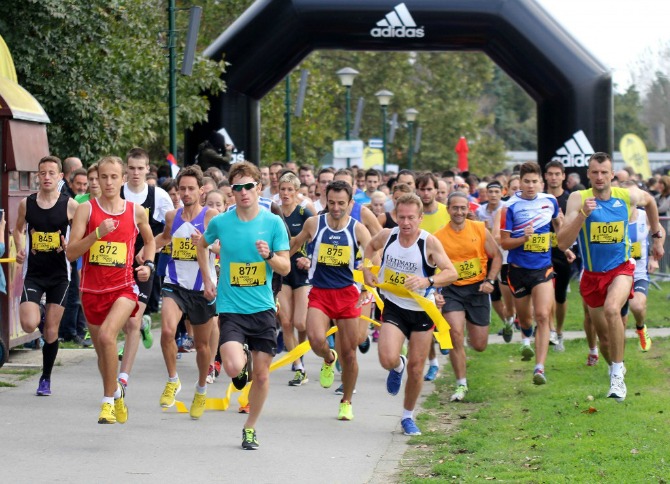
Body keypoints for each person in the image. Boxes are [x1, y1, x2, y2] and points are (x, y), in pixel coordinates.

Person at [197, 161, 290, 449]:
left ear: (259, 188)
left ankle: (250, 428)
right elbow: (202, 245)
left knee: (262, 376)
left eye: (248, 186)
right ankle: (242, 365)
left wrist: (269, 256)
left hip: (262, 307)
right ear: (231, 192)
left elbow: (285, 267)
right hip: (231, 307)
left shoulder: (273, 222)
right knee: (233, 367)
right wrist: (208, 278)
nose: (243, 192)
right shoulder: (221, 222)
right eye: (237, 188)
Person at [558, 152, 665, 402]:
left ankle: (617, 376)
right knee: (604, 338)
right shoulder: (578, 198)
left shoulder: (625, 196)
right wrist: (583, 214)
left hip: (622, 269)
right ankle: (614, 364)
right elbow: (562, 242)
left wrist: (657, 234)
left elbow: (649, 201)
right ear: (588, 174)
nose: (599, 177)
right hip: (593, 274)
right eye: (594, 172)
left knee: (612, 310)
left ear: (612, 174)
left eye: (604, 172)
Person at [67, 155, 155, 423]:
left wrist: (148, 265)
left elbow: (151, 242)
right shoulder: (87, 210)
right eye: (103, 177)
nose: (108, 182)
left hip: (124, 288)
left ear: (123, 179)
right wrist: (97, 235)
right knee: (102, 356)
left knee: (107, 337)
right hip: (92, 292)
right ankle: (116, 392)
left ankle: (106, 403)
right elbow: (71, 253)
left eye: (114, 177)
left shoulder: (135, 211)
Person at [363, 193, 457, 435]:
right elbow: (370, 247)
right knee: (386, 358)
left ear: (420, 218)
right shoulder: (388, 235)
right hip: (395, 306)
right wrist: (366, 269)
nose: (406, 223)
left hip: (422, 311)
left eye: (411, 218)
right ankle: (397, 366)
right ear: (395, 216)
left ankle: (407, 416)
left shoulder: (429, 243)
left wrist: (428, 280)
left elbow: (451, 272)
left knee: (417, 368)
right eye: (401, 217)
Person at [289, 180, 372, 421]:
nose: (336, 208)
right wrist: (277, 261)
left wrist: (367, 281)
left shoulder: (357, 229)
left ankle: (346, 401)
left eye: (341, 203)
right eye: (332, 202)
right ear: (326, 200)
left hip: (347, 294)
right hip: (321, 292)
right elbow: (296, 244)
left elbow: (371, 253)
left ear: (350, 203)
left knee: (350, 353)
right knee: (315, 338)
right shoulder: (315, 223)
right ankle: (328, 357)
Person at [154, 165, 219, 419]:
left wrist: (207, 244)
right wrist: (148, 249)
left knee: (202, 346)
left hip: (202, 287)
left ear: (201, 190)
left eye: (191, 188)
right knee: (168, 331)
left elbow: (221, 248)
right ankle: (173, 380)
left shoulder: (211, 216)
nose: (186, 193)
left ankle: (201, 389)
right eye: (182, 189)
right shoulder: (172, 216)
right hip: (175, 283)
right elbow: (165, 238)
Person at [14, 156, 79, 395]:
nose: (47, 177)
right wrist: (20, 248)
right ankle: (40, 312)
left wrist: (69, 244)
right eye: (43, 173)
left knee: (51, 332)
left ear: (60, 177)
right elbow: (18, 229)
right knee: (28, 322)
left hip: (60, 275)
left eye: (52, 173)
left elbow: (82, 235)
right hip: (34, 273)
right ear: (38, 177)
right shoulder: (27, 204)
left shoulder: (70, 205)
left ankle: (45, 377)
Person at [434, 192, 502, 402]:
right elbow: (431, 265)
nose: (459, 212)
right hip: (452, 290)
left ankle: (467, 349)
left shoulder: (479, 229)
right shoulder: (438, 237)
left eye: (463, 208)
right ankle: (461, 384)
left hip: (477, 289)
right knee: (455, 334)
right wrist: (435, 291)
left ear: (468, 210)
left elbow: (497, 255)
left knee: (480, 345)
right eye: (455, 208)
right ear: (448, 209)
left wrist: (490, 280)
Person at [500, 162, 561, 385]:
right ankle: (525, 330)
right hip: (518, 271)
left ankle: (539, 368)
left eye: (535, 181)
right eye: (527, 181)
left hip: (543, 269)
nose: (531, 186)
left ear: (541, 182)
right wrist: (523, 239)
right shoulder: (510, 207)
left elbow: (559, 224)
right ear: (520, 182)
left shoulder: (550, 201)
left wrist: (566, 246)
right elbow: (505, 243)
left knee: (543, 315)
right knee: (526, 319)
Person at [117, 148, 173, 388]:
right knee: (115, 320)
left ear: (148, 169)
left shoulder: (159, 196)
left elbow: (170, 231)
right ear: (125, 170)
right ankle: (142, 327)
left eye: (140, 168)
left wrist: (151, 250)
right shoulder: (116, 193)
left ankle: (123, 377)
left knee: (132, 322)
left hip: (144, 265)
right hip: (116, 263)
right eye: (131, 168)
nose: (136, 173)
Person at [277, 172, 313, 386]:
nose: (286, 193)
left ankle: (301, 350)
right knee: (286, 321)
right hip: (282, 271)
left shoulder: (304, 212)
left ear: (297, 191)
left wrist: (309, 259)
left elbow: (317, 239)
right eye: (283, 189)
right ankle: (298, 365)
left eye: (290, 189)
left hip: (301, 270)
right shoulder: (275, 214)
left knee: (301, 322)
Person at [543, 161, 576, 351]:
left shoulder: (570, 199)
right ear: (545, 177)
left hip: (563, 252)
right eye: (550, 174)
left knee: (560, 296)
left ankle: (560, 331)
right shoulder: (540, 199)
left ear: (563, 176)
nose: (554, 177)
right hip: (542, 253)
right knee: (545, 294)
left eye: (557, 174)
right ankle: (551, 330)